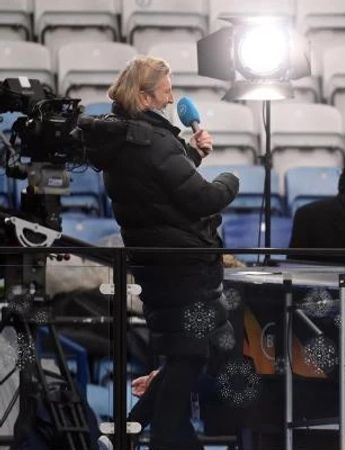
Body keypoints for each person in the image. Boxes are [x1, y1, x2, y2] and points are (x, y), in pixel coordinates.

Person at [82, 56, 239, 450]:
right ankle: (164, 440)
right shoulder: (149, 139)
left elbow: (159, 185)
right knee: (191, 356)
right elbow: (201, 198)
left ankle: (127, 434)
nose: (172, 100)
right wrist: (229, 180)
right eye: (166, 91)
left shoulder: (130, 137)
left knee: (186, 355)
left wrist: (193, 154)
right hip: (180, 265)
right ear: (143, 95)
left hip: (163, 262)